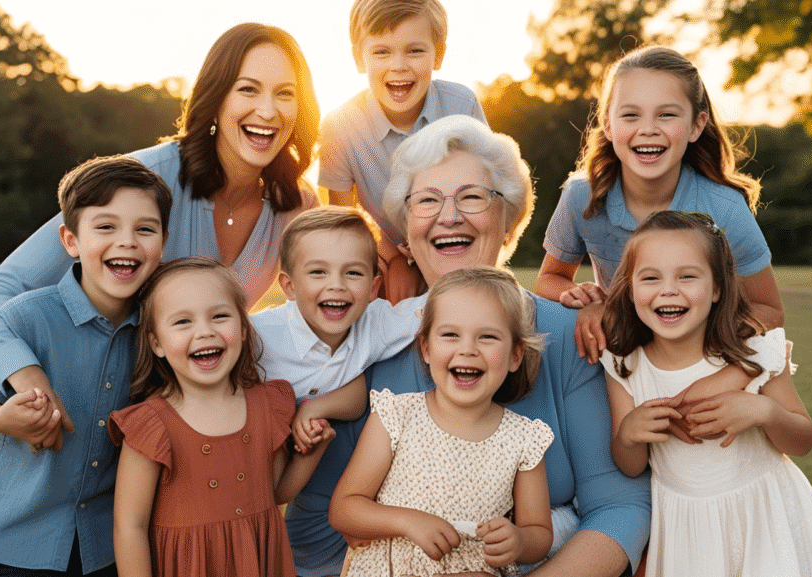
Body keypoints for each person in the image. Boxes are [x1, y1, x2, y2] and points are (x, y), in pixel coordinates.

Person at [285, 115, 650, 577]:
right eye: (428, 200)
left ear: (509, 219)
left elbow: (621, 509)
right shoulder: (371, 345)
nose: (449, 215)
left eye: (473, 197)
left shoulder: (571, 335)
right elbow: (318, 519)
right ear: (406, 236)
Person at [0, 22, 320, 452]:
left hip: (190, 434)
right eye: (248, 89)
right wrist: (26, 376)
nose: (268, 110)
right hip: (98, 421)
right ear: (217, 98)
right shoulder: (147, 179)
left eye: (285, 93)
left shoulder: (296, 206)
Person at [599, 210, 812, 576]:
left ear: (716, 288)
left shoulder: (753, 350)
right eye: (650, 278)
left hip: (764, 514)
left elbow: (802, 440)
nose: (669, 290)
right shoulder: (625, 365)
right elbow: (630, 464)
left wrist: (765, 412)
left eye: (687, 276)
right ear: (631, 290)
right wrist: (631, 434)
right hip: (686, 529)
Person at [0, 155, 172, 576]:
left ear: (163, 242)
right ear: (70, 240)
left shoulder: (158, 328)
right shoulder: (28, 317)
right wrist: (6, 418)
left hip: (105, 541)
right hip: (16, 540)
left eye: (144, 229)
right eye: (106, 227)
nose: (127, 241)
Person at [534, 45, 784, 367]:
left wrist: (690, 335)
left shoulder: (725, 208)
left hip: (701, 361)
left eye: (666, 114)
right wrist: (585, 303)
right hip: (618, 357)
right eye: (630, 114)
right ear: (609, 125)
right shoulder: (582, 196)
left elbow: (770, 311)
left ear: (696, 125)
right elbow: (549, 280)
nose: (648, 128)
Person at [108, 257, 335, 577]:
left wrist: (314, 449)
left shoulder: (266, 406)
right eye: (183, 322)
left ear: (243, 329)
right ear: (156, 343)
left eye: (219, 316)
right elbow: (130, 528)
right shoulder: (152, 426)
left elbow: (276, 492)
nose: (204, 332)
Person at [330, 266, 555, 576]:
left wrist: (519, 540)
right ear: (426, 347)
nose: (467, 350)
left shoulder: (523, 439)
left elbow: (539, 532)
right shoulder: (397, 416)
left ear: (516, 355)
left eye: (487, 337)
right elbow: (344, 509)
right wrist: (408, 521)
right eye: (450, 335)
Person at [320, 0, 488, 303]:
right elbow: (343, 219)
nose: (398, 65)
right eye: (381, 51)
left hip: (457, 247)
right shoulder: (339, 125)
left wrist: (436, 255)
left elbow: (487, 199)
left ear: (439, 55)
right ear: (359, 58)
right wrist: (394, 259)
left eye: (415, 50)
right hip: (384, 256)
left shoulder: (461, 106)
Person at [251, 206, 425, 453]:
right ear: (289, 286)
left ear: (374, 287)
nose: (336, 285)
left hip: (309, 455)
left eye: (353, 273)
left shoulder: (376, 324)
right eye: (318, 272)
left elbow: (439, 304)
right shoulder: (257, 336)